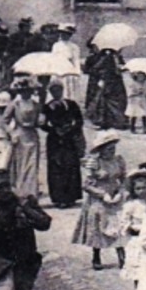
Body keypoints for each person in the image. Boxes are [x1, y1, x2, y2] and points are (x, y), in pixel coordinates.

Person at [72, 134, 127, 268]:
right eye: (108, 149)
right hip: (99, 197)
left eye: (113, 149)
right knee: (98, 226)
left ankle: (122, 255)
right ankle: (96, 256)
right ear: (101, 150)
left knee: (118, 225)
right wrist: (102, 195)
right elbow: (86, 185)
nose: (111, 152)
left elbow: (124, 178)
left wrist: (120, 192)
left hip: (115, 196)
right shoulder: (94, 162)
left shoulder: (118, 160)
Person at [40, 80, 87, 208]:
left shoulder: (71, 104)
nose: (56, 92)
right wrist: (54, 130)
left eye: (58, 90)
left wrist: (71, 129)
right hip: (55, 140)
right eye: (53, 90)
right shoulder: (47, 107)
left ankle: (71, 196)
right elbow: (42, 124)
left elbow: (79, 120)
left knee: (71, 165)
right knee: (56, 167)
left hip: (69, 138)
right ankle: (59, 198)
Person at [5, 78, 43, 200]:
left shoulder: (36, 104)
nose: (26, 93)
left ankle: (32, 192)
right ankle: (21, 191)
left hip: (32, 135)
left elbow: (38, 120)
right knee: (21, 164)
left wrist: (41, 120)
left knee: (32, 164)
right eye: (23, 91)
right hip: (20, 135)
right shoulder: (14, 104)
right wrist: (11, 133)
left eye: (28, 90)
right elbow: (5, 120)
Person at [50, 23, 83, 102]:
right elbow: (53, 58)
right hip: (58, 70)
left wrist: (77, 72)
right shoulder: (56, 45)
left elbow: (76, 60)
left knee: (68, 89)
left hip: (68, 70)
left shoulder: (74, 47)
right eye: (62, 33)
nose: (64, 35)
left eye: (67, 34)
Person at [125, 66, 146, 133]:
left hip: (143, 100)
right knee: (134, 114)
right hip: (135, 100)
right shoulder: (133, 83)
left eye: (142, 76)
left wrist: (145, 94)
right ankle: (132, 127)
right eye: (139, 76)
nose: (141, 78)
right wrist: (136, 92)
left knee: (144, 114)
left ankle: (145, 127)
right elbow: (130, 92)